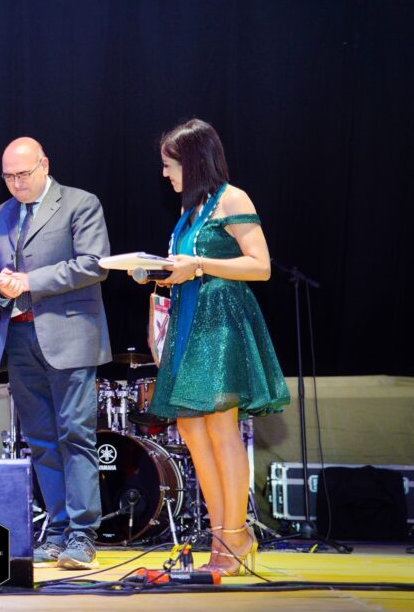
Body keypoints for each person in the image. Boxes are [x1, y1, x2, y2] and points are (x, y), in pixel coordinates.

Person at [142, 119, 289, 576]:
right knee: (191, 431)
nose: (166, 174)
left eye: (170, 165)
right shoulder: (190, 212)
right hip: (188, 320)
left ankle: (234, 534)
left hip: (220, 323)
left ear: (193, 160)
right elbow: (184, 268)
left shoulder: (232, 198)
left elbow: (260, 266)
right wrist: (154, 274)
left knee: (222, 430)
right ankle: (223, 533)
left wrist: (200, 263)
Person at [0, 137, 111, 570]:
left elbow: (94, 263)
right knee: (40, 442)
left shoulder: (80, 203)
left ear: (44, 165)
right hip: (18, 339)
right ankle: (55, 532)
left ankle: (83, 535)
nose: (15, 183)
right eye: (8, 177)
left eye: (23, 174)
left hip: (70, 337)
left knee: (76, 435)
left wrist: (30, 280)